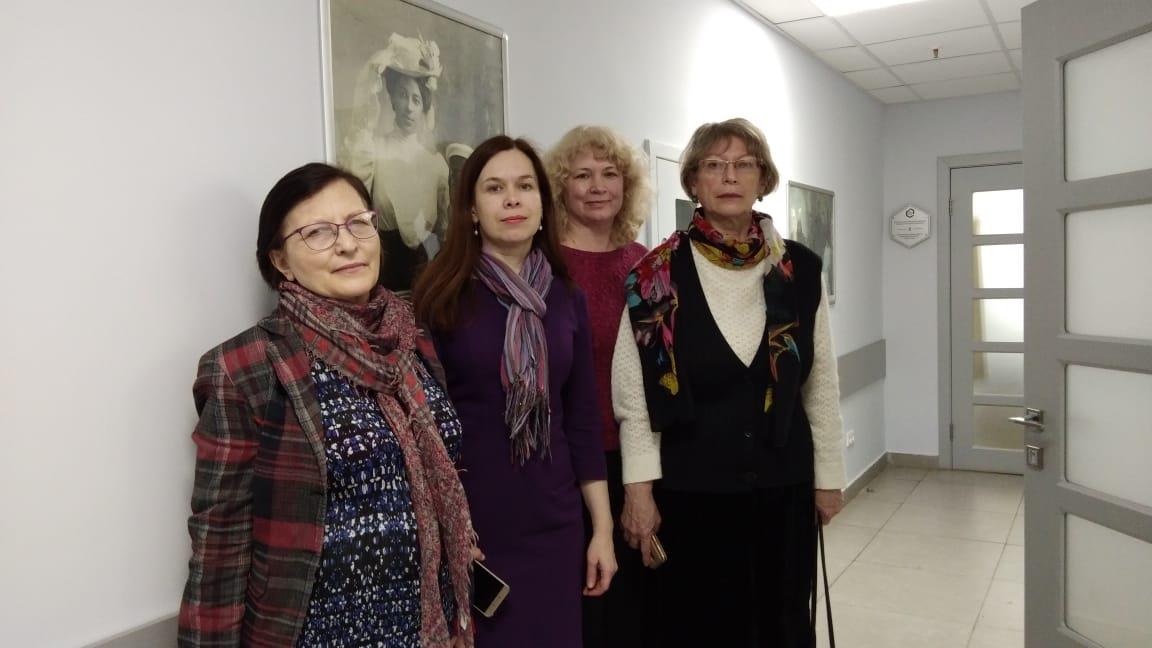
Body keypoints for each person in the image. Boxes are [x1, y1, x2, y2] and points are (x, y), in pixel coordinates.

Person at [179, 163, 475, 647]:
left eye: (358, 223)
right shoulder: (247, 367)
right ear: (281, 261)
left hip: (427, 627)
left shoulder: (410, 341)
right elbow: (220, 547)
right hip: (319, 633)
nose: (348, 244)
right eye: (318, 232)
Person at [612, 118, 847, 647]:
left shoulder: (800, 269)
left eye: (744, 164)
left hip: (783, 485)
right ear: (693, 182)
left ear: (764, 179)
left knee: (782, 623)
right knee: (700, 627)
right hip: (692, 490)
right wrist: (639, 491)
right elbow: (634, 397)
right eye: (714, 165)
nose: (729, 176)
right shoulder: (655, 275)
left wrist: (829, 477)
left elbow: (820, 384)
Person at [414, 136, 618, 647]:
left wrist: (602, 529)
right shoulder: (440, 297)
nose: (512, 199)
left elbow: (582, 421)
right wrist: (445, 529)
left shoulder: (566, 297)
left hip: (556, 522)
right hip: (476, 523)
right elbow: (423, 430)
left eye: (525, 186)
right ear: (471, 209)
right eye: (494, 188)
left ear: (543, 204)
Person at [545, 125, 652, 648]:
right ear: (560, 187)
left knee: (634, 607)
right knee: (580, 603)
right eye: (582, 175)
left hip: (636, 455)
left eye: (610, 174)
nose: (597, 186)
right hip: (564, 461)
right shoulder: (544, 265)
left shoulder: (643, 263)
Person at [345, 32, 451, 291]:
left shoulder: (436, 164)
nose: (409, 107)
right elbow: (354, 203)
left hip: (428, 281)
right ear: (392, 98)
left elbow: (444, 232)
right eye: (402, 95)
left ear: (424, 106)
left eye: (416, 99)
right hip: (383, 277)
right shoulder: (374, 150)